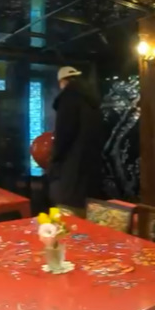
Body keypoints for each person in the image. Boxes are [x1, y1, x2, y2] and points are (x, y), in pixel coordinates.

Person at [48, 66, 104, 217]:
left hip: (71, 168)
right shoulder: (92, 99)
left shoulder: (68, 98)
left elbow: (63, 134)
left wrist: (54, 162)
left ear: (62, 81)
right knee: (88, 211)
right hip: (92, 167)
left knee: (68, 212)